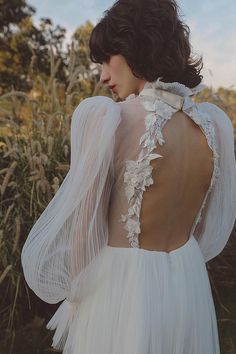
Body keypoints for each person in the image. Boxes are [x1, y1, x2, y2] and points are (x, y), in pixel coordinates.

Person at [21, 0, 236, 353]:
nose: (103, 75)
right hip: (186, 283)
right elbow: (203, 230)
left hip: (122, 291)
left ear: (140, 46)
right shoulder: (213, 128)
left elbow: (83, 235)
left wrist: (77, 304)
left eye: (108, 59)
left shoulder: (108, 119)